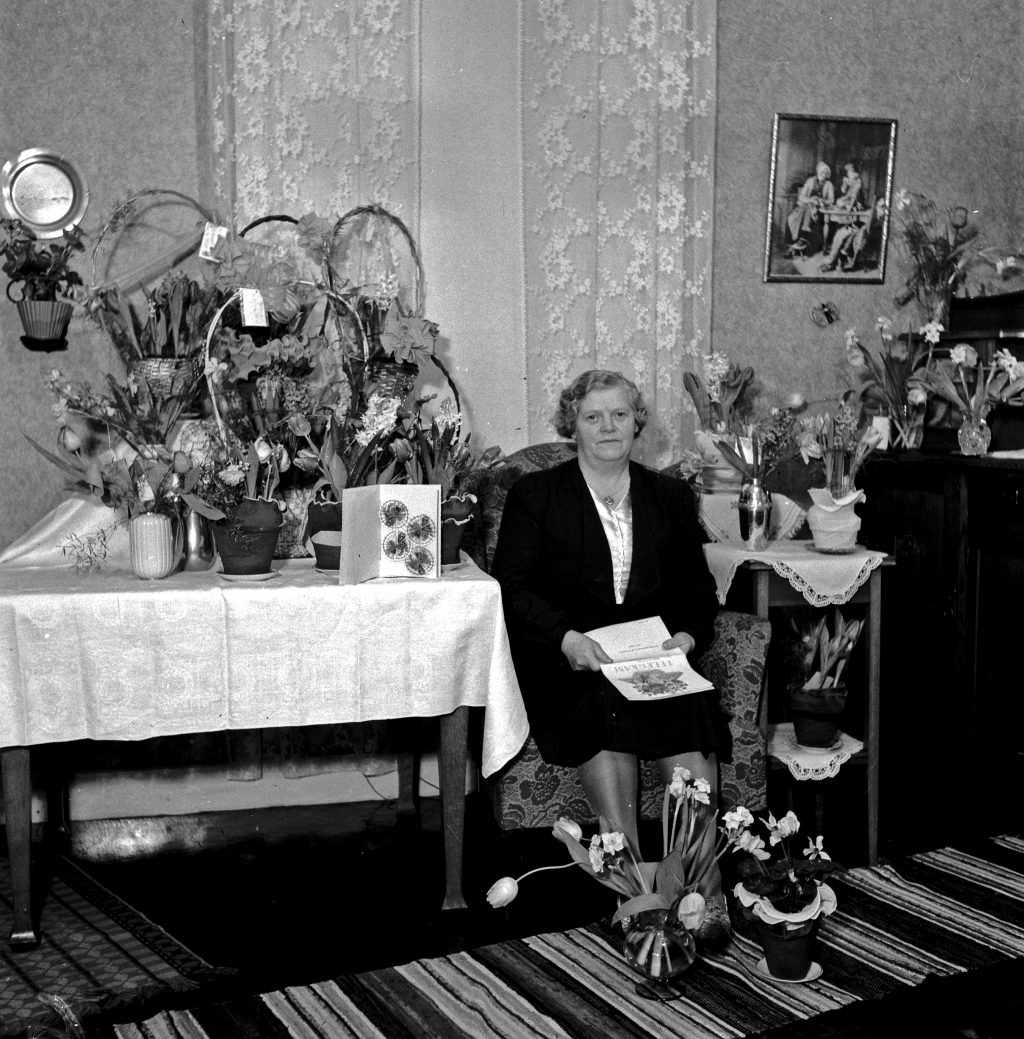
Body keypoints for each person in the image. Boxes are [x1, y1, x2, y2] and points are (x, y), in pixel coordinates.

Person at [491, 370, 729, 941]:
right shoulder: (537, 495)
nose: (607, 427)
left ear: (636, 421)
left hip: (651, 657)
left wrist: (686, 640)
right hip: (570, 656)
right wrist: (568, 639)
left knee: (689, 701)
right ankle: (635, 891)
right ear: (572, 425)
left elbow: (697, 592)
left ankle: (702, 885)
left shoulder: (670, 496)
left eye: (619, 414)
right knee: (600, 700)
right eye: (593, 416)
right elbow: (514, 588)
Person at [785, 161, 835, 257]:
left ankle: (802, 241)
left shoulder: (829, 184)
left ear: (828, 174)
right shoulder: (810, 181)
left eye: (826, 173)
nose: (824, 175)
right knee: (791, 218)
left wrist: (821, 201)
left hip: (819, 209)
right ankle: (791, 247)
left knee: (809, 214)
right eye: (822, 172)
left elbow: (831, 200)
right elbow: (801, 197)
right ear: (818, 172)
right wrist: (811, 199)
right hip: (805, 205)